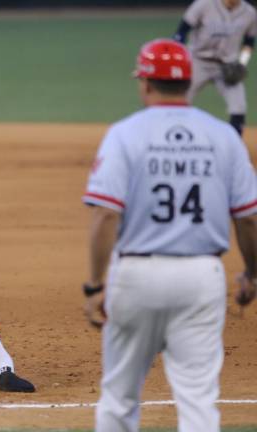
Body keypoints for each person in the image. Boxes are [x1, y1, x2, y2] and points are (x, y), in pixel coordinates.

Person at [82, 39, 257, 431]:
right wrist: (252, 273)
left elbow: (105, 215)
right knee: (198, 400)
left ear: (145, 83)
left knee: (119, 398)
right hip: (201, 278)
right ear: (190, 82)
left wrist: (94, 285)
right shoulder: (224, 136)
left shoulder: (125, 134)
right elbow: (248, 218)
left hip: (136, 277)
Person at [173, 0, 257, 136]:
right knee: (179, 99)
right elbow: (181, 33)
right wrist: (179, 57)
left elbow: (249, 43)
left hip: (228, 65)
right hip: (198, 61)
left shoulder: (250, 13)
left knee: (239, 105)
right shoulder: (204, 5)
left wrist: (242, 63)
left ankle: (235, 144)